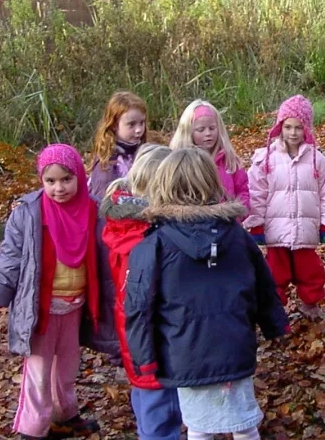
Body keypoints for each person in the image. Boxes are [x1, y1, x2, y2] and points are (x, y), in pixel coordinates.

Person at [124, 148, 288, 440]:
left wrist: (144, 359)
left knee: (198, 426)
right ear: (212, 184)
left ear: (163, 186)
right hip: (234, 343)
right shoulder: (237, 236)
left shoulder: (153, 245)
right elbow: (264, 285)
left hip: (185, 350)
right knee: (243, 421)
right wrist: (274, 325)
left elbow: (138, 307)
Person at [0, 144, 107, 440]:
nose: (59, 188)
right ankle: (33, 429)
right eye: (50, 181)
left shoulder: (93, 209)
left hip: (76, 305)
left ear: (79, 177)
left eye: (66, 180)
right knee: (38, 370)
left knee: (67, 367)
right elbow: (10, 257)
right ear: (41, 181)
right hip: (40, 309)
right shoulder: (30, 213)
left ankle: (65, 415)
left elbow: (107, 252)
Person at [99, 144, 182, 440]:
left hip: (140, 341)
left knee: (150, 407)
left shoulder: (125, 225)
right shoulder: (144, 235)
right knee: (162, 413)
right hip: (153, 344)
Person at [244, 95, 325, 319]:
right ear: (280, 127)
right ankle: (275, 308)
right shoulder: (265, 160)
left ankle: (311, 303)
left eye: (298, 127)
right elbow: (256, 194)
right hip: (276, 228)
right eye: (288, 127)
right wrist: (256, 224)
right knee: (276, 271)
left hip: (306, 227)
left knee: (310, 270)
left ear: (306, 129)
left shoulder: (317, 160)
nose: (293, 133)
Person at [169, 99, 250, 211]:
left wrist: (237, 214)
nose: (208, 133)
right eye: (201, 130)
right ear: (189, 132)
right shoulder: (180, 164)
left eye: (212, 128)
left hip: (227, 224)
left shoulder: (230, 161)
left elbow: (243, 192)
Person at [88, 91, 150, 199]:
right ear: (114, 125)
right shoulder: (107, 163)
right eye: (131, 124)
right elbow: (101, 202)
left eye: (142, 122)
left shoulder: (145, 151)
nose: (139, 130)